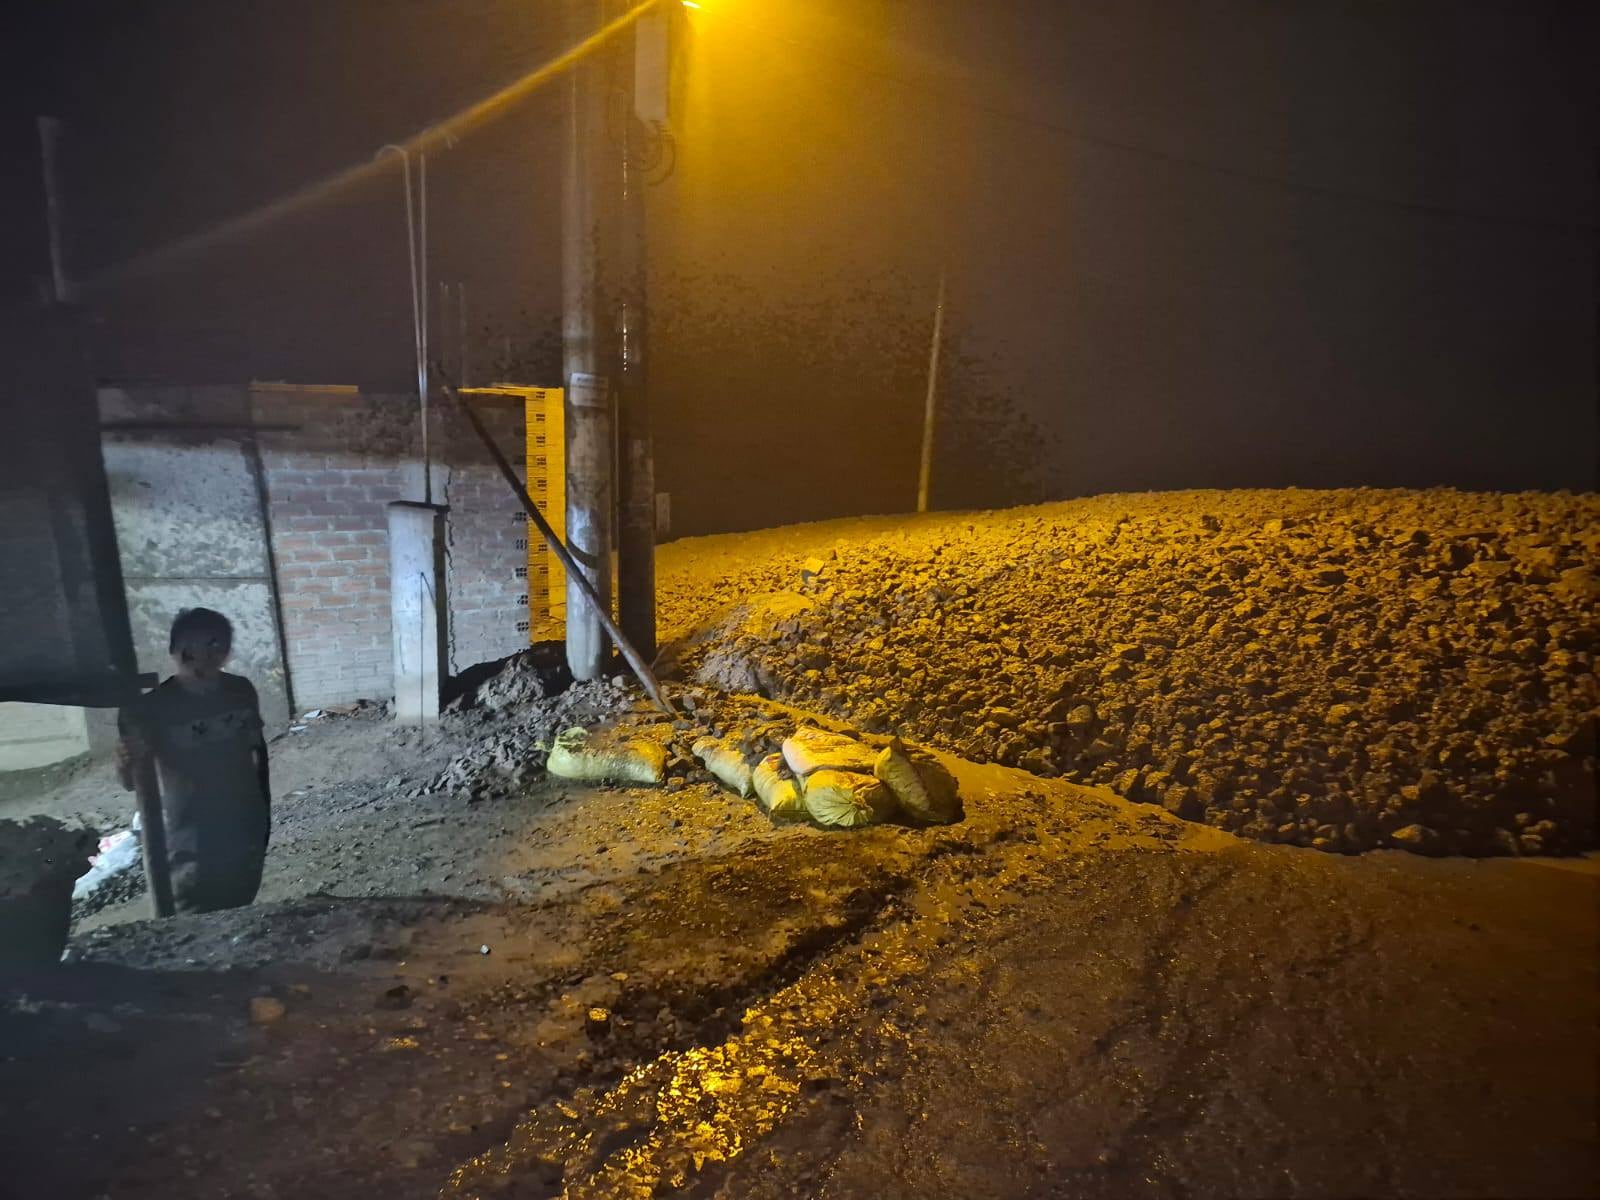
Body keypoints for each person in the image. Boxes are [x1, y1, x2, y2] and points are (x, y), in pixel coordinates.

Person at [116, 608, 271, 913]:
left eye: (216, 644)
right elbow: (130, 783)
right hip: (190, 832)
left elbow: (258, 754)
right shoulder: (150, 709)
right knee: (193, 910)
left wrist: (262, 815)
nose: (204, 655)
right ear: (176, 651)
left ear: (226, 650)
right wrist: (124, 761)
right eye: (192, 648)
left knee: (240, 901)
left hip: (242, 820)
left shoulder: (240, 691)